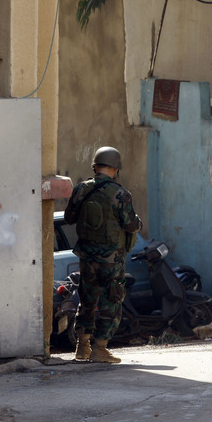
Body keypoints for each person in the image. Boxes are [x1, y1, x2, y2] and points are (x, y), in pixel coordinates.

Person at [64, 146, 142, 364]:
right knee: (112, 300)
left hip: (87, 257)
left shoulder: (81, 189)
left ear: (95, 167)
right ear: (116, 169)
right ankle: (100, 348)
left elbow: (69, 218)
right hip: (111, 259)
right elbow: (131, 225)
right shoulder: (121, 194)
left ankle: (82, 346)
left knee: (87, 298)